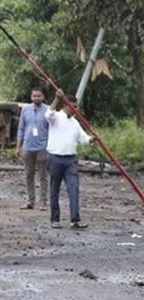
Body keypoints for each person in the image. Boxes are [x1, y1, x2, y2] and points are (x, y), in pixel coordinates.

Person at [45, 90, 92, 229]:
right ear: (66, 105)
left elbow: (83, 138)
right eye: (73, 107)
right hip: (55, 158)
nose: (75, 110)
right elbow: (48, 114)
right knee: (55, 189)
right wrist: (56, 99)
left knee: (74, 188)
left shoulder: (75, 122)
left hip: (71, 159)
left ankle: (75, 219)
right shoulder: (56, 117)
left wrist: (91, 139)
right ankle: (55, 219)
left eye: (77, 107)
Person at [15, 86, 50, 210]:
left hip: (42, 146)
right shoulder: (25, 109)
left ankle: (43, 202)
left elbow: (51, 129)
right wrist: (18, 146)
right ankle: (30, 201)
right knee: (29, 175)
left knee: (43, 175)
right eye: (34, 96)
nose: (36, 98)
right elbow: (21, 128)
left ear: (43, 97)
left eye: (38, 96)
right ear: (31, 97)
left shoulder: (48, 110)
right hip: (27, 146)